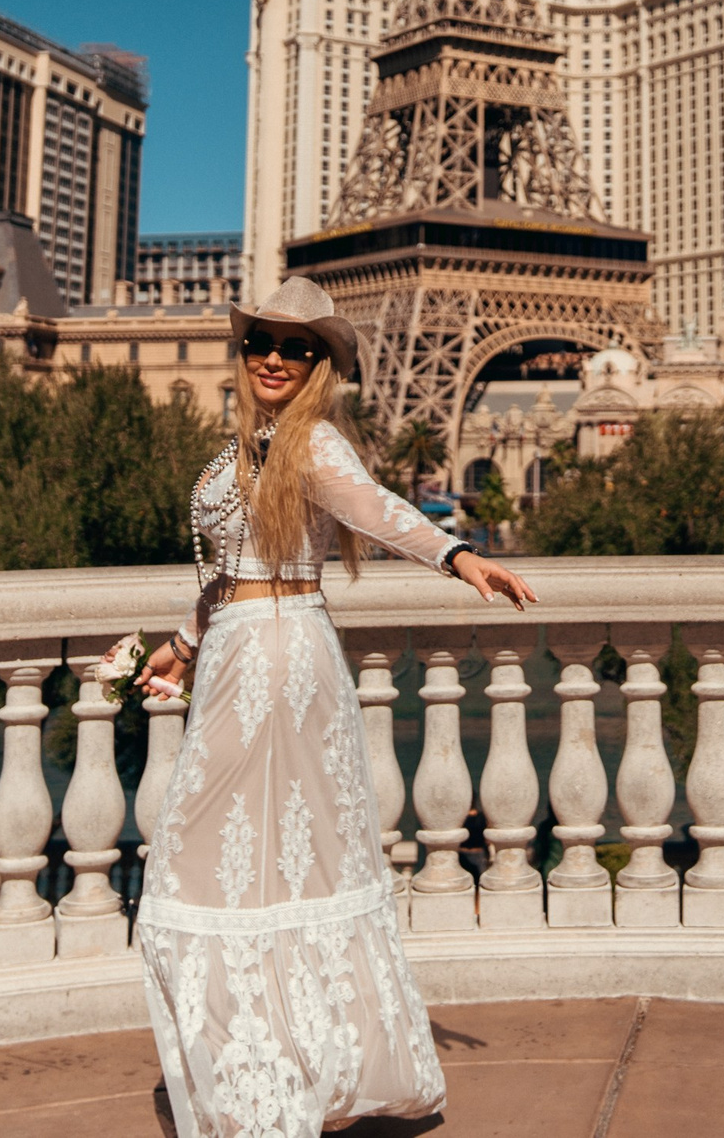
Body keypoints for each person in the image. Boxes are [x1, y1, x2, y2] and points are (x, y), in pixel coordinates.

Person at [132, 275, 537, 1138]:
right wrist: (179, 641)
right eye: (261, 344)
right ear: (243, 355)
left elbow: (381, 510)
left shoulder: (312, 443)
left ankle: (281, 1077)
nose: (274, 358)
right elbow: (229, 573)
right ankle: (278, 1069)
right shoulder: (251, 443)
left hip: (281, 658)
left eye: (297, 347)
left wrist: (461, 556)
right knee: (257, 860)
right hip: (240, 648)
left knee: (225, 858)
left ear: (320, 364)